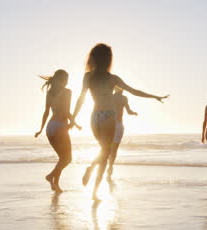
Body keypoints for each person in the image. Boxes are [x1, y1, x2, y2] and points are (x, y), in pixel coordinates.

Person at [71, 43, 168, 200]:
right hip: (109, 116)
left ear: (93, 58)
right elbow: (134, 91)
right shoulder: (113, 79)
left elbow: (81, 99)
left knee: (103, 150)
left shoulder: (87, 76)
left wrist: (73, 118)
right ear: (108, 59)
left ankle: (92, 172)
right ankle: (94, 188)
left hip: (94, 117)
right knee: (106, 152)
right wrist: (154, 96)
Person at [35, 69, 78, 193]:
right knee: (68, 158)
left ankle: (56, 185)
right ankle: (50, 176)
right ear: (62, 80)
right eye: (66, 80)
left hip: (50, 128)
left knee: (62, 159)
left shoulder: (50, 93)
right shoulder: (67, 92)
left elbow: (46, 112)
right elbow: (66, 111)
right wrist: (72, 122)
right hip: (60, 127)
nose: (67, 82)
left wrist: (41, 129)